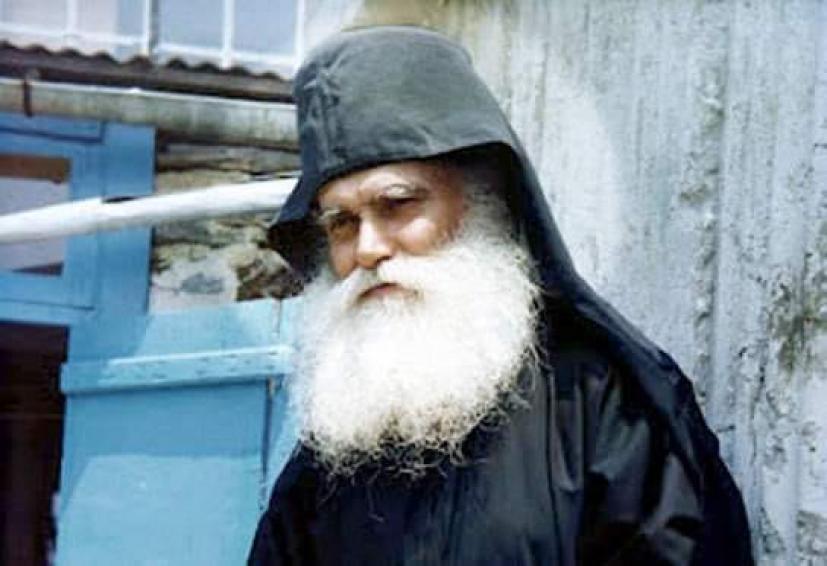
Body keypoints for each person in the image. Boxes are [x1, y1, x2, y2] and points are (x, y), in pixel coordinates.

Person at [248, 26, 753, 565]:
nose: (368, 248)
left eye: (397, 204)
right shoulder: (335, 445)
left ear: (481, 203)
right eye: (342, 223)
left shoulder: (607, 407)